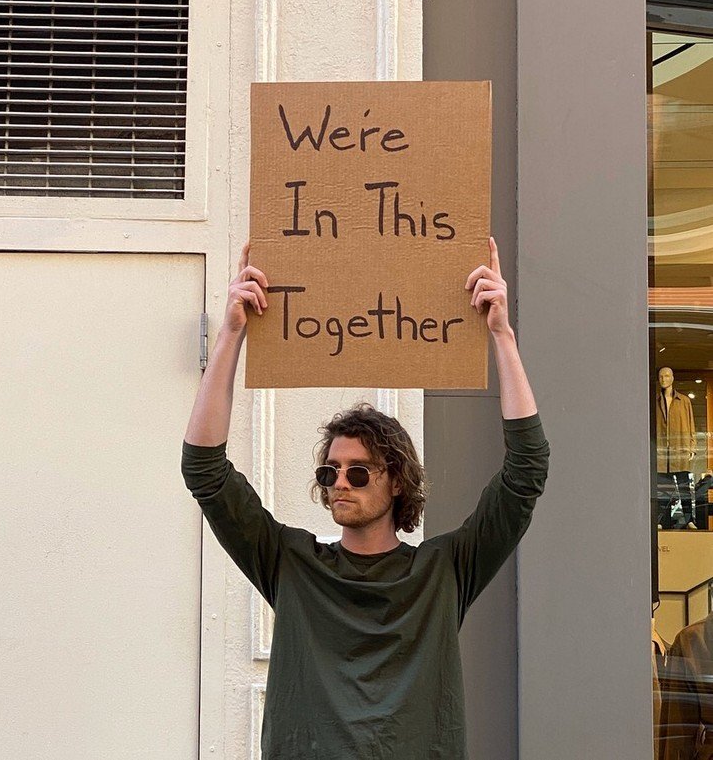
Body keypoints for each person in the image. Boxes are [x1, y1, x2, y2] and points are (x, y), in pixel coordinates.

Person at [181, 237, 549, 759]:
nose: (339, 483)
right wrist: (231, 336)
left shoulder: (442, 571)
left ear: (396, 481)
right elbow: (204, 470)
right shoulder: (293, 564)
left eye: (358, 472)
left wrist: (501, 335)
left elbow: (525, 473)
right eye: (330, 471)